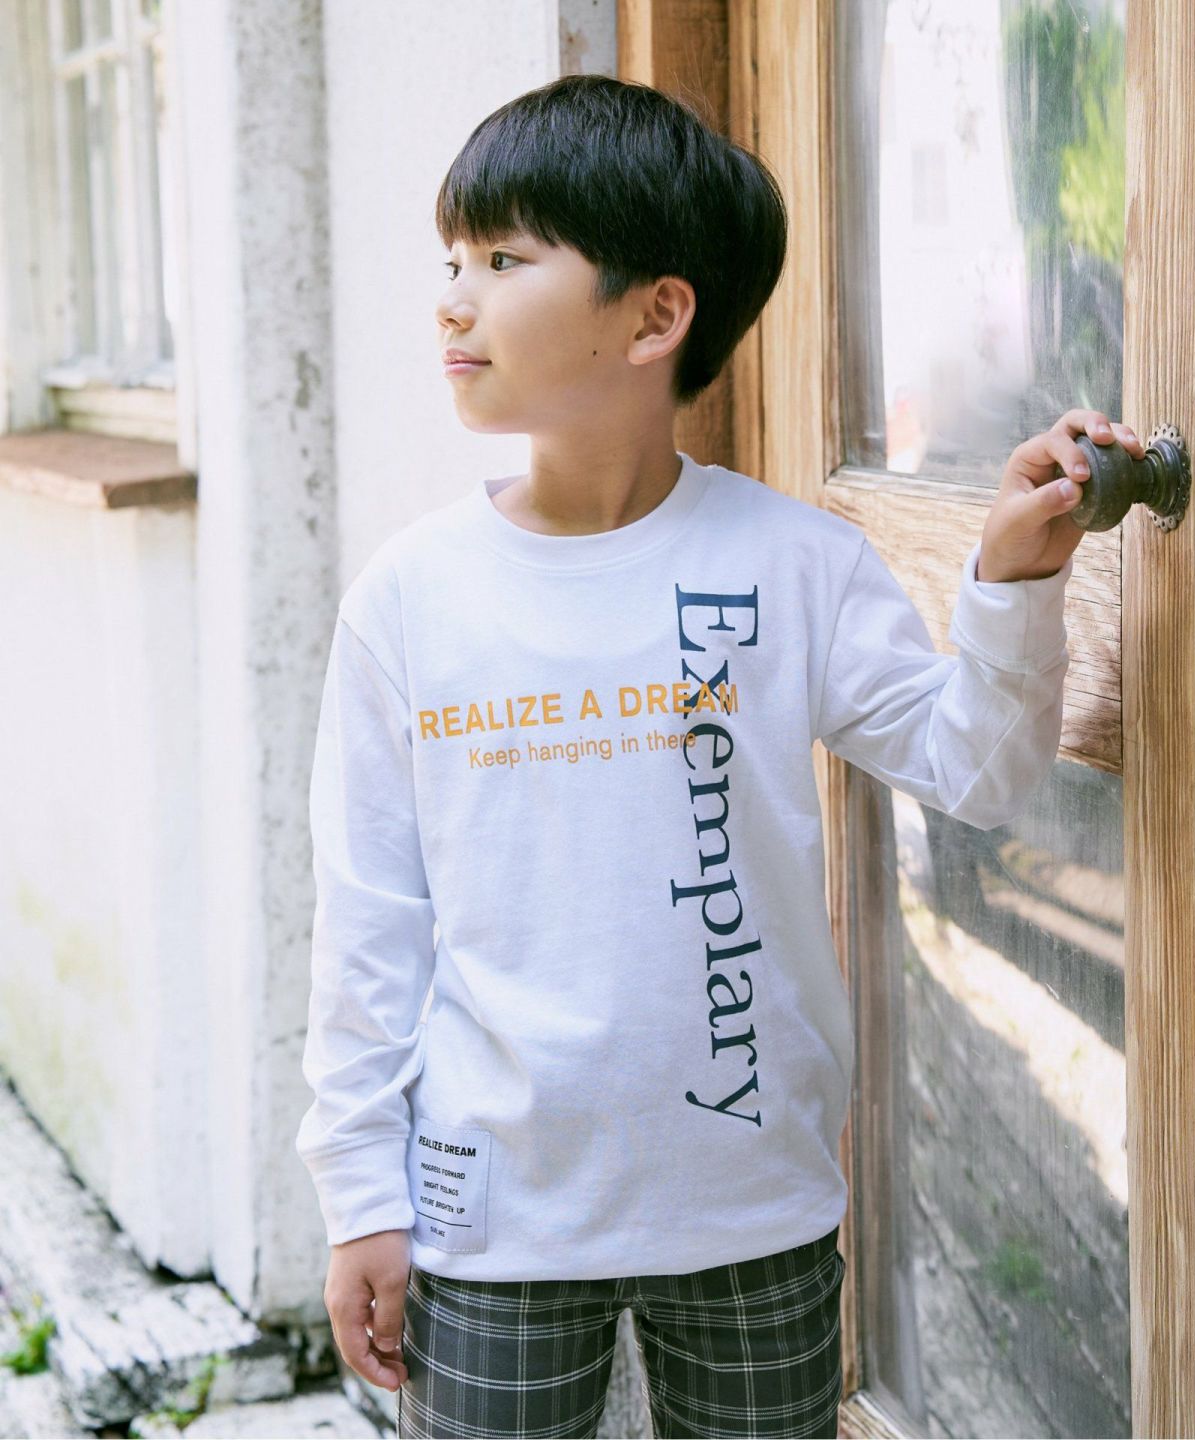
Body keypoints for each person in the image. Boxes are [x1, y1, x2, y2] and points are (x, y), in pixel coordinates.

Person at [294, 73, 1141, 1440]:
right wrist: (360, 1197)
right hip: (492, 1216)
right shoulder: (408, 600)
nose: (453, 301)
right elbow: (370, 926)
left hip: (753, 1208)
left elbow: (976, 771)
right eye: (452, 260)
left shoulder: (792, 564)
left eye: (504, 261)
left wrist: (1009, 580)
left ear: (656, 316)